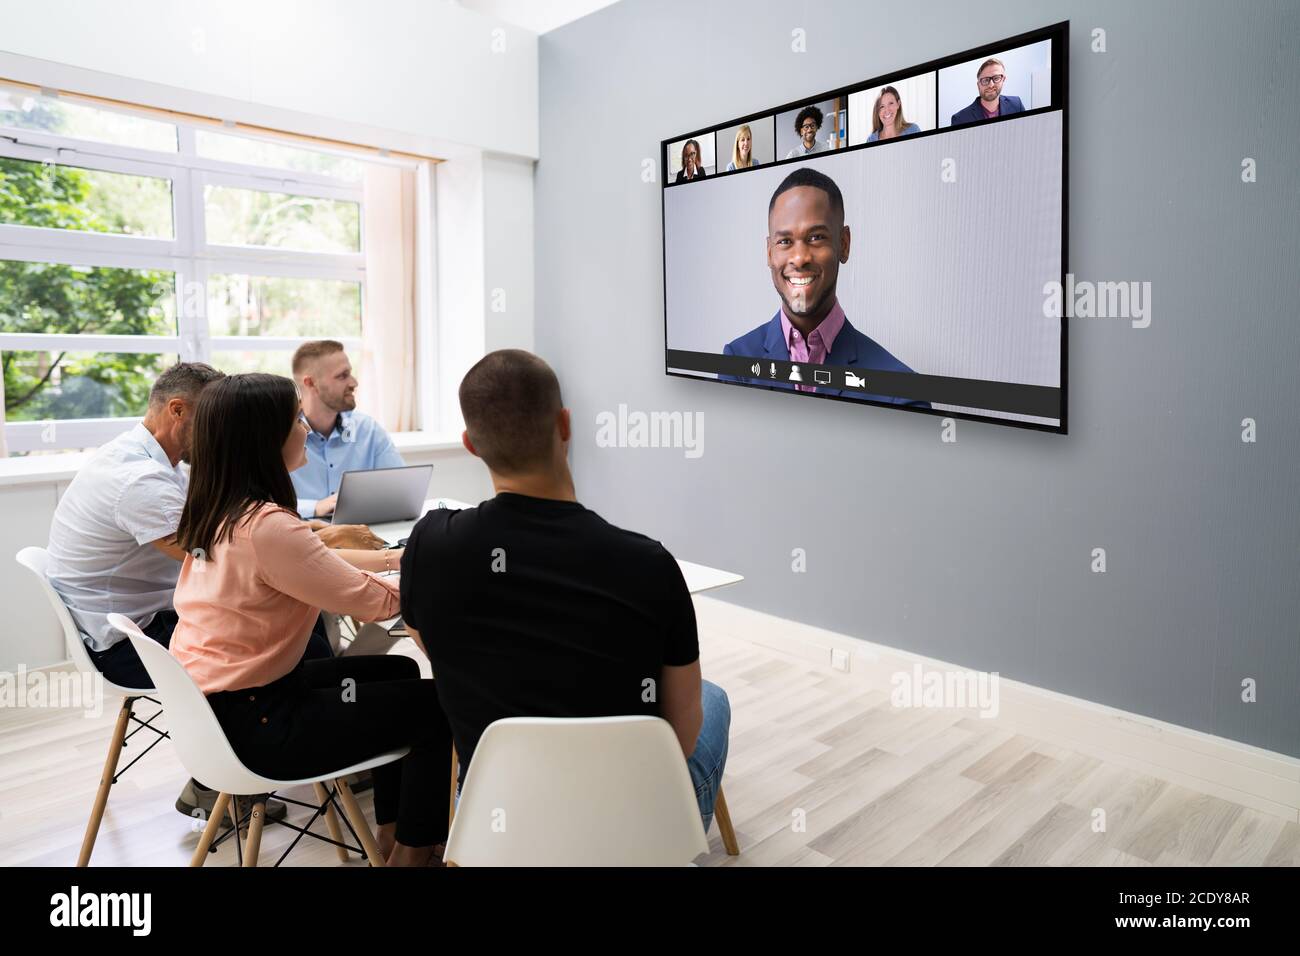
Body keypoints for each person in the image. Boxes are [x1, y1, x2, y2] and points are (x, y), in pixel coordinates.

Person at [399, 349, 731, 834]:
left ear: (470, 444)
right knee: (712, 698)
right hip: (624, 829)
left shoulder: (430, 544)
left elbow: (429, 640)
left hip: (496, 824)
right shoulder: (649, 565)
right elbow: (679, 738)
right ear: (566, 425)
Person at [169, 373, 452, 866]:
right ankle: (413, 855)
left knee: (399, 671)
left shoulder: (222, 511)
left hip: (218, 710)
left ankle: (389, 833)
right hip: (258, 725)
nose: (305, 429)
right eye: (296, 419)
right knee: (437, 708)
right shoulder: (269, 528)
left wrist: (394, 562)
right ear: (267, 439)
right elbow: (375, 603)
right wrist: (438, 574)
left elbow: (314, 563)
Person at [721, 167, 929, 407]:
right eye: (785, 241)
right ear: (769, 252)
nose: (799, 258)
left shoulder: (901, 392)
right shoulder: (736, 364)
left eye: (816, 237)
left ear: (844, 244)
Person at [290, 340, 404, 520]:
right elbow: (259, 505)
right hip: (303, 537)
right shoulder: (281, 436)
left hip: (361, 535)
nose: (354, 383)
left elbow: (401, 490)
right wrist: (315, 507)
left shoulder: (367, 429)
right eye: (342, 376)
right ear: (310, 383)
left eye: (350, 374)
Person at [949, 57, 1024, 126]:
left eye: (996, 78)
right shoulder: (960, 119)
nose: (991, 85)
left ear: (1003, 79)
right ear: (978, 85)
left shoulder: (1017, 105)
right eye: (985, 80)